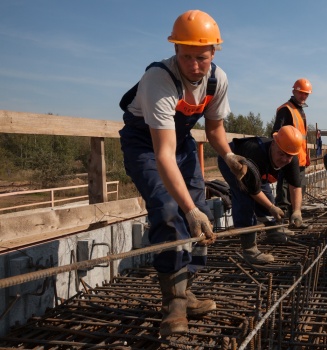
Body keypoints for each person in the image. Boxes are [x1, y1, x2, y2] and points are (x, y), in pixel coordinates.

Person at [118, 10, 247, 336]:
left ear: (213, 53)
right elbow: (163, 152)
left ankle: (185, 291)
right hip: (146, 145)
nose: (193, 65)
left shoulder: (217, 80)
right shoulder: (158, 80)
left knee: (203, 213)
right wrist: (186, 209)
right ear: (175, 50)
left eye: (201, 58)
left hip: (182, 144)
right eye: (186, 56)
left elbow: (215, 130)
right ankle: (173, 304)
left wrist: (229, 155)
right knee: (169, 209)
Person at [218, 125, 304, 263]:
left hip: (256, 170)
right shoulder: (255, 153)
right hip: (233, 162)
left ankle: (273, 232)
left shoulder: (291, 157)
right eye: (281, 154)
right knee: (244, 199)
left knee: (267, 197)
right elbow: (253, 191)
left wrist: (297, 210)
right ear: (274, 143)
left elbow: (295, 186)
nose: (284, 159)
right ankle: (249, 249)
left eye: (289, 156)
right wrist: (271, 207)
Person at [271, 78, 312, 216]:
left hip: (299, 158)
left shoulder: (300, 110)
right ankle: (281, 222)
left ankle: (295, 218)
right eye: (301, 93)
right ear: (294, 91)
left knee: (299, 189)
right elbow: (276, 133)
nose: (303, 96)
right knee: (284, 194)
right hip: (288, 158)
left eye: (306, 94)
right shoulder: (286, 109)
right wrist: (283, 155)